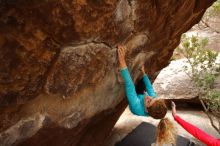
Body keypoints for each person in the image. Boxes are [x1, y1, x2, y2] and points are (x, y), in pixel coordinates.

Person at [117, 45, 167, 119]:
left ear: (147, 110)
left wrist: (122, 60)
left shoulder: (136, 106)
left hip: (136, 101)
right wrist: (143, 73)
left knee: (132, 89)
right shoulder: (153, 101)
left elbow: (129, 85)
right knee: (143, 81)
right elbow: (150, 88)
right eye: (152, 98)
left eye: (149, 101)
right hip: (141, 98)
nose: (149, 97)